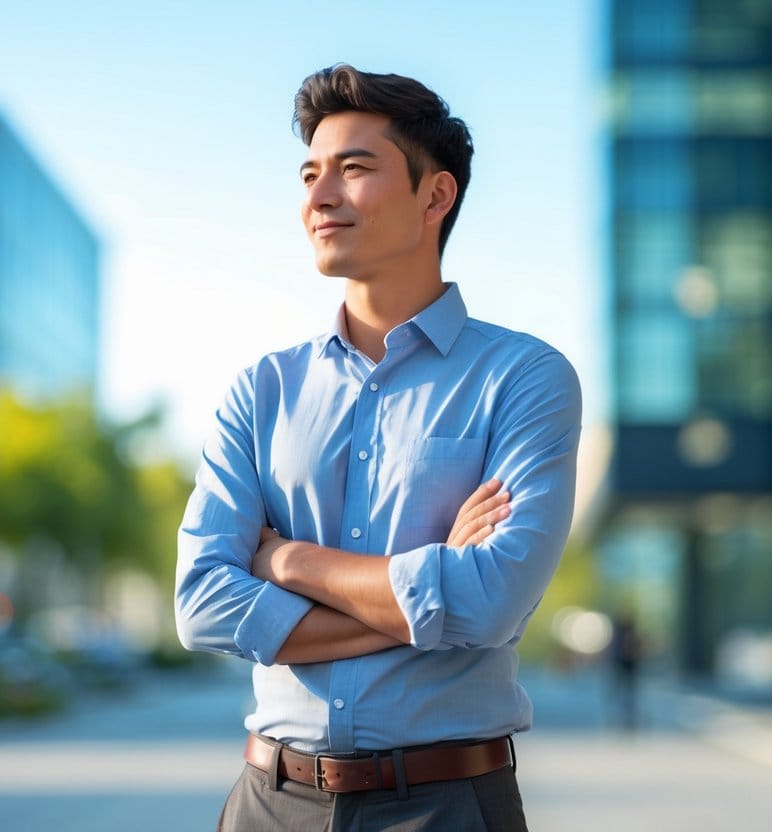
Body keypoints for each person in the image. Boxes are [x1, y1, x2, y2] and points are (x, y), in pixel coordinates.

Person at [175, 63, 582, 831]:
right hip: (267, 802)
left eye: (354, 169)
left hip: (446, 803)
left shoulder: (523, 379)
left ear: (435, 195)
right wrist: (427, 601)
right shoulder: (261, 391)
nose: (319, 198)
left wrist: (283, 562)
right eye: (310, 175)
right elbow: (201, 606)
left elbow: (490, 601)